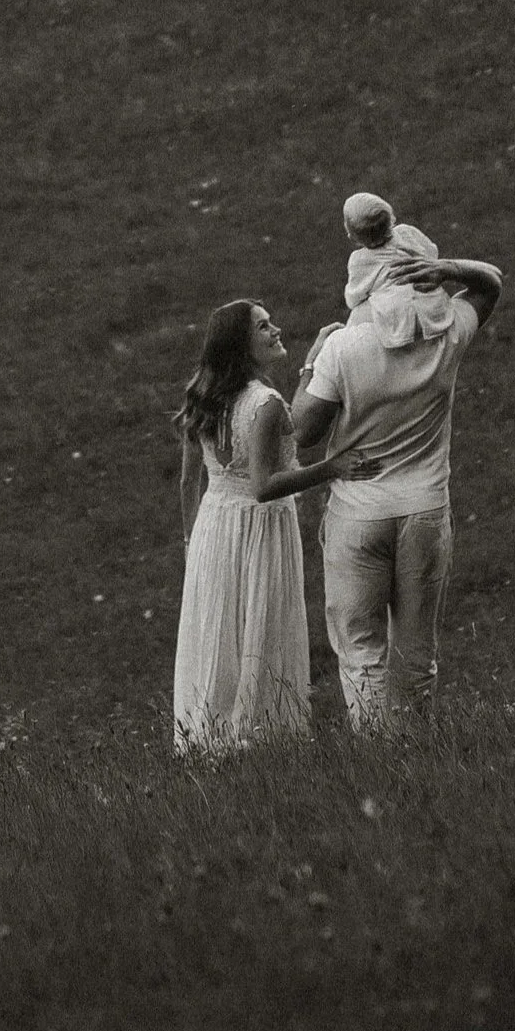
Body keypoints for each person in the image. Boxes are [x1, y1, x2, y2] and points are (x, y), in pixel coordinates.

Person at [292, 252, 503, 733]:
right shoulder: (446, 335)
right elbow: (491, 284)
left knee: (360, 645)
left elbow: (303, 431)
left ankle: (375, 753)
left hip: (358, 515)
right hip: (425, 511)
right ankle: (413, 745)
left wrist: (311, 362)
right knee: (415, 650)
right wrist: (449, 268)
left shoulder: (343, 348)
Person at [171, 300, 381, 751]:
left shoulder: (202, 395)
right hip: (259, 530)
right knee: (260, 631)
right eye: (263, 327)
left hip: (213, 528)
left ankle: (208, 742)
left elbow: (190, 481)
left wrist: (193, 544)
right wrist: (333, 467)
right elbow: (264, 487)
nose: (276, 330)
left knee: (219, 634)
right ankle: (259, 740)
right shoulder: (263, 404)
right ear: (242, 345)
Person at [341, 191, 444, 324]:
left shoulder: (360, 261)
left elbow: (354, 297)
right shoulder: (407, 232)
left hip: (398, 315)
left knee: (355, 320)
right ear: (391, 218)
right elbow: (432, 252)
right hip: (430, 300)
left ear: (353, 238)